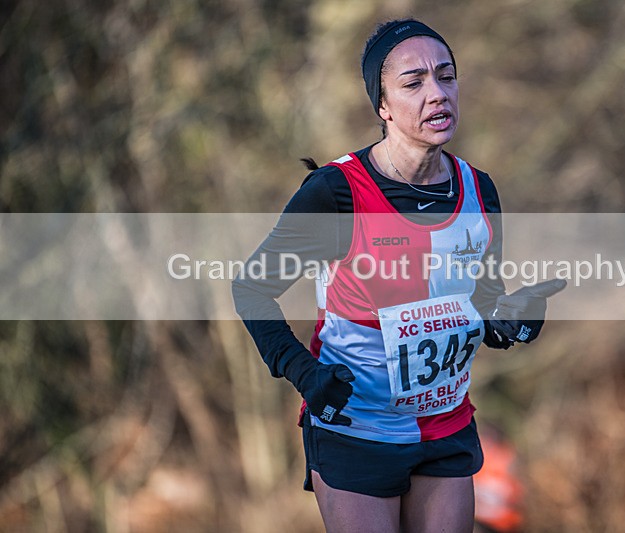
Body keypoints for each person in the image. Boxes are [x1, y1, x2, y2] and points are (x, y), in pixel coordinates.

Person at [232, 18, 562, 532]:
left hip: (445, 422)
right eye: (414, 83)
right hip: (356, 426)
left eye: (446, 76)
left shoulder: (481, 191)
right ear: (382, 106)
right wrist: (304, 372)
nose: (437, 93)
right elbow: (251, 288)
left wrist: (512, 320)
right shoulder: (335, 193)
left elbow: (482, 306)